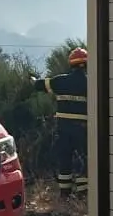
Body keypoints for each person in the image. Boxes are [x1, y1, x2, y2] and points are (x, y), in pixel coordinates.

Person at [34, 47, 88, 200]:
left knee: (65, 158)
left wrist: (32, 80)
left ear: (71, 63)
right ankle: (82, 193)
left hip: (64, 129)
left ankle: (65, 193)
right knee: (82, 159)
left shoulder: (61, 81)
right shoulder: (91, 83)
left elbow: (39, 85)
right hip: (83, 129)